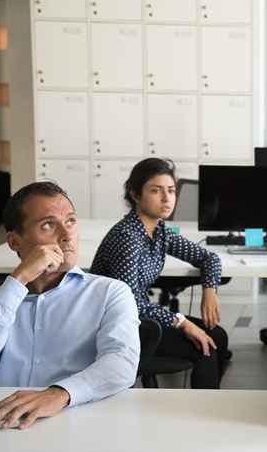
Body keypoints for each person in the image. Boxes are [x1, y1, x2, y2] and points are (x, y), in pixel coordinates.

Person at [0, 182, 139, 430]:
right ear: (14, 241)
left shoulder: (110, 292)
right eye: (48, 225)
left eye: (71, 221)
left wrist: (60, 393)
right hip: (4, 421)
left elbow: (121, 363)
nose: (66, 234)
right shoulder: (4, 299)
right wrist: (19, 279)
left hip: (75, 420)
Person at [90, 158, 230, 389]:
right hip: (118, 323)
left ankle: (212, 400)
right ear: (136, 195)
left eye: (171, 190)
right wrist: (182, 322)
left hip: (142, 317)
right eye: (156, 191)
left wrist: (210, 290)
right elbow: (130, 303)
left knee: (219, 336)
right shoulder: (127, 237)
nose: (167, 198)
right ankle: (205, 416)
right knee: (205, 347)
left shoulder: (158, 230)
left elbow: (209, 257)